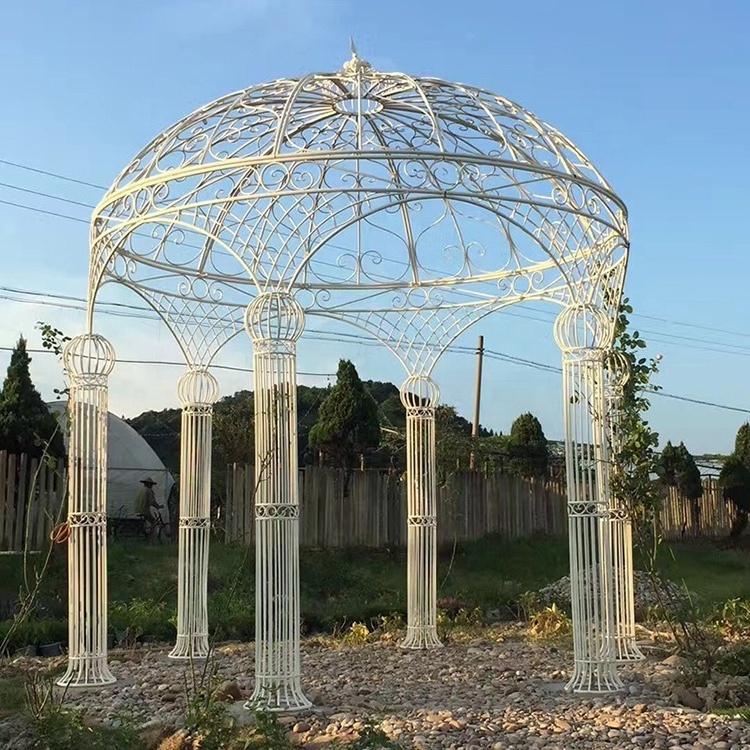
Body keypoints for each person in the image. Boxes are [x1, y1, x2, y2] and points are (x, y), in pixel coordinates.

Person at [135, 477, 163, 541]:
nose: (152, 486)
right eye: (151, 485)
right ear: (149, 484)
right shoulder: (148, 491)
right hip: (144, 510)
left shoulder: (141, 490)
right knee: (153, 522)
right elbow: (152, 501)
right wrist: (158, 506)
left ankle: (145, 534)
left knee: (145, 523)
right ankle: (150, 538)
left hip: (138, 509)